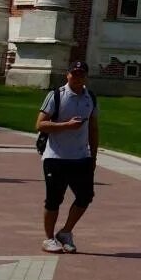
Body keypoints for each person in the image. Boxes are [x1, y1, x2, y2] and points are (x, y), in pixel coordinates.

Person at [36, 60, 99, 253]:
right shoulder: (56, 95)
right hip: (56, 156)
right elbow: (40, 124)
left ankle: (66, 232)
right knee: (54, 199)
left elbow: (93, 128)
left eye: (81, 73)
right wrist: (66, 126)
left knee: (85, 196)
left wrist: (93, 156)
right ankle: (48, 238)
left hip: (81, 157)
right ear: (68, 74)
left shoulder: (91, 98)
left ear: (86, 76)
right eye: (74, 73)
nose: (78, 76)